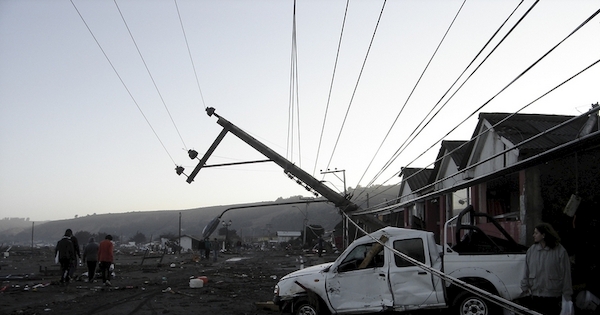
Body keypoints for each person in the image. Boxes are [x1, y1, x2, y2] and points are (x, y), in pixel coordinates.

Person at [521, 222, 573, 315]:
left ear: (544, 235)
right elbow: (526, 270)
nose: (533, 235)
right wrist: (524, 286)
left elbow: (566, 274)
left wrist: (567, 295)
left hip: (553, 296)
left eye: (536, 233)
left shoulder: (559, 251)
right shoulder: (531, 251)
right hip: (536, 294)